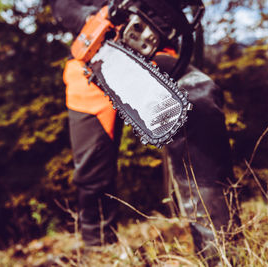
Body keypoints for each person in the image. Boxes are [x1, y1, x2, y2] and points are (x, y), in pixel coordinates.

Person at [50, 0, 240, 261]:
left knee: (200, 102)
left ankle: (220, 250)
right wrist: (89, 17)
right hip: (89, 62)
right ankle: (99, 250)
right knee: (91, 170)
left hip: (155, 55)